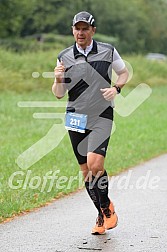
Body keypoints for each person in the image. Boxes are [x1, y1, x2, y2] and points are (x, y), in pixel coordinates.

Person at [52, 11, 129, 235]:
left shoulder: (108, 50)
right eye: (77, 28)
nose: (80, 33)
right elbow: (58, 93)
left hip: (102, 114)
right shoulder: (64, 56)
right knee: (86, 172)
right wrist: (58, 79)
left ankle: (106, 207)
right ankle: (100, 214)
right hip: (75, 117)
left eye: (85, 28)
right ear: (72, 30)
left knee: (96, 165)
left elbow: (123, 73)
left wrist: (116, 88)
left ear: (93, 30)